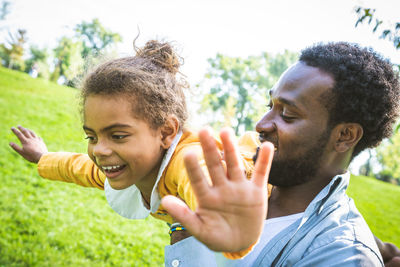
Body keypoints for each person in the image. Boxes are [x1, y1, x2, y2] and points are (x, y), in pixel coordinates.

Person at [9, 40, 273, 259]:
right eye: (91, 136)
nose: (99, 150)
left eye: (118, 135)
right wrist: (43, 157)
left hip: (259, 173)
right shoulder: (125, 165)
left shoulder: (187, 160)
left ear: (167, 132)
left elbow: (201, 178)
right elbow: (79, 167)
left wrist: (228, 225)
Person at [160, 42, 400, 266]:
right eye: (270, 106)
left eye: (287, 115)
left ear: (345, 135)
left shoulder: (342, 254)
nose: (261, 124)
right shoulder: (226, 183)